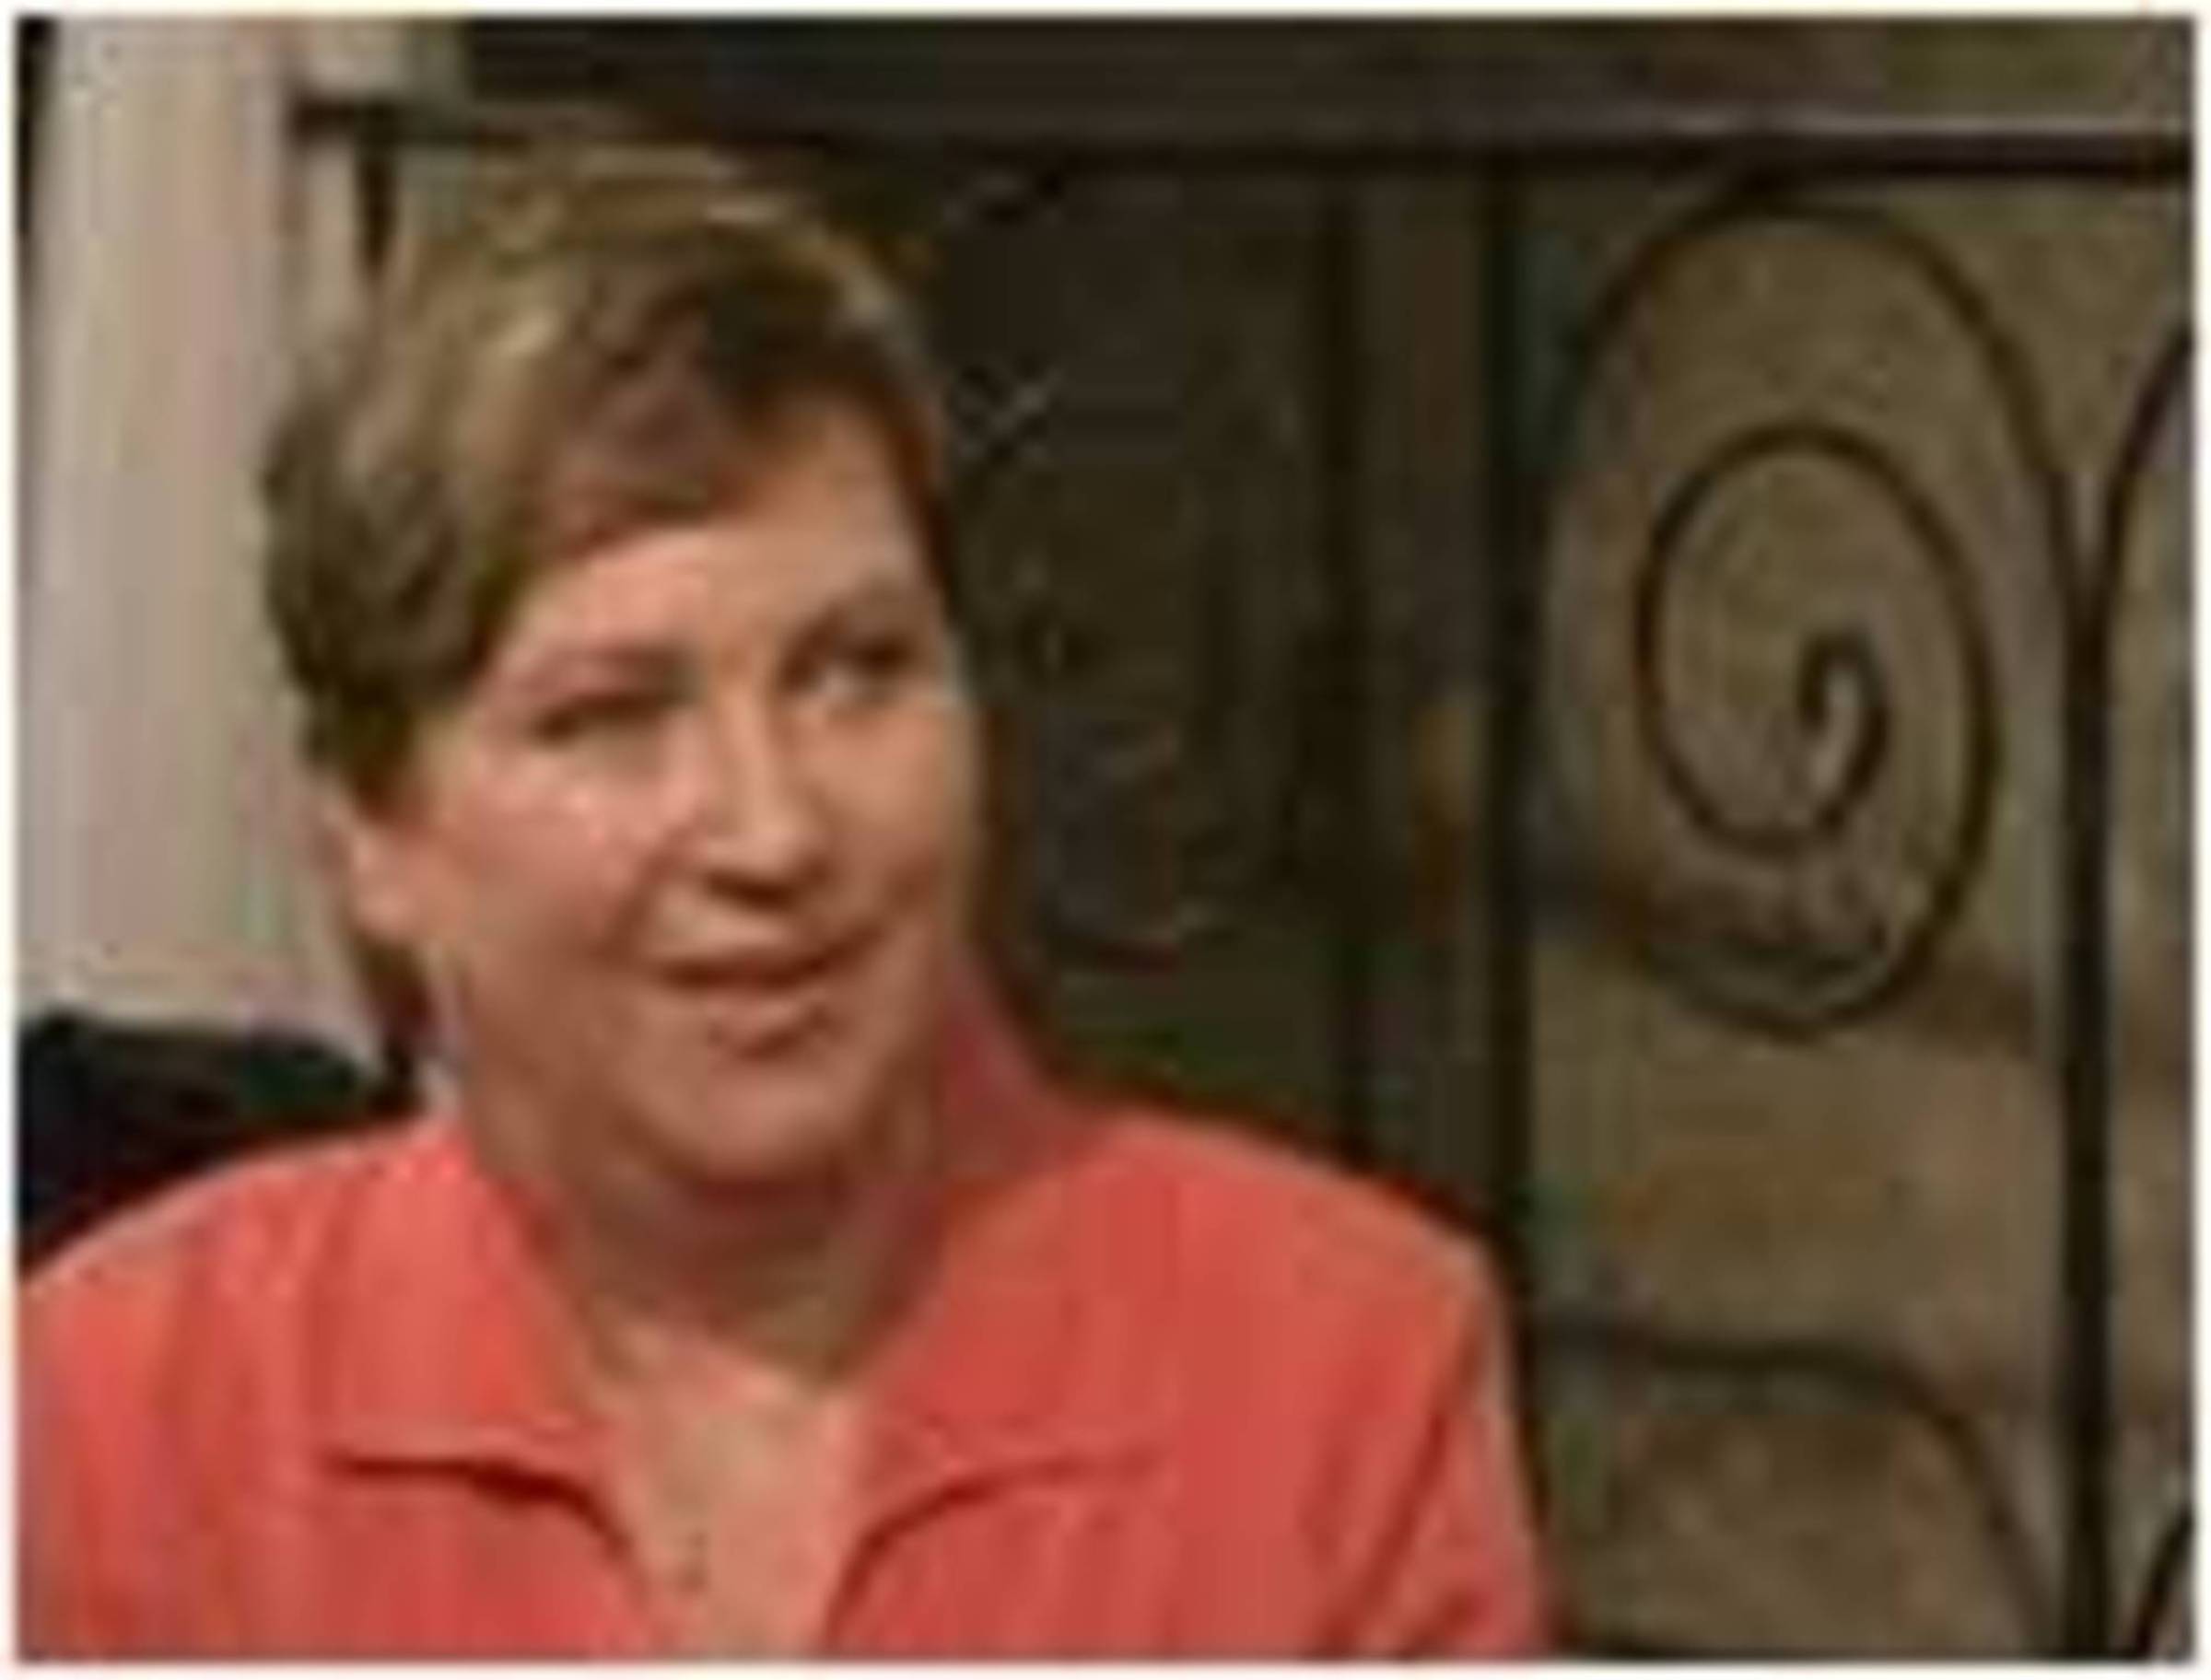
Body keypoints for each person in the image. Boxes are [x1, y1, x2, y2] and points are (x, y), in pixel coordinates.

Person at [19, 149, 1550, 1659]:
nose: (773, 831)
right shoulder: (109, 1421)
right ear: (369, 837)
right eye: (614, 715)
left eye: (855, 671)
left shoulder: (1342, 1373)